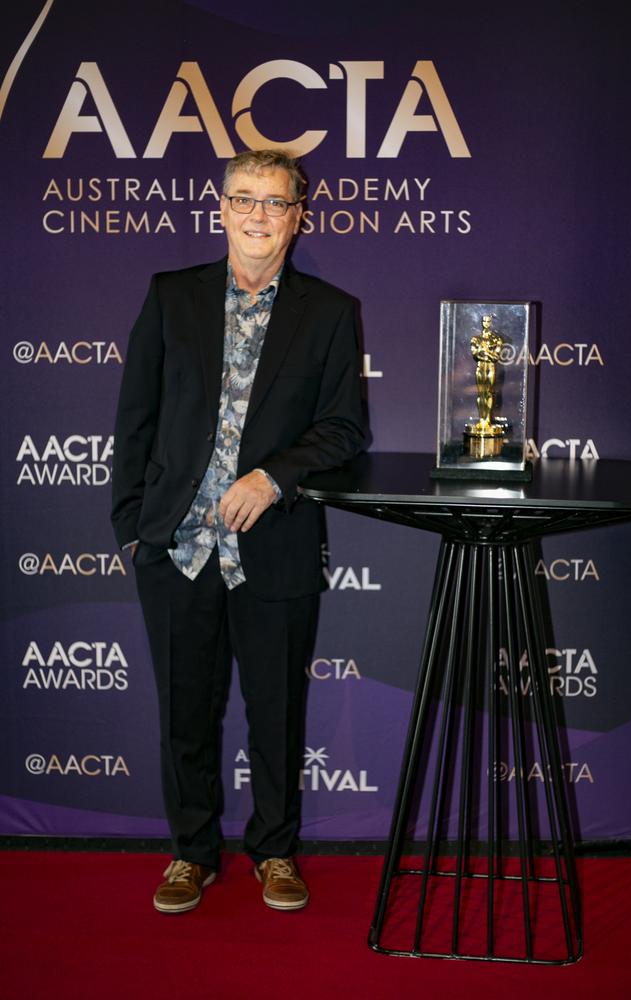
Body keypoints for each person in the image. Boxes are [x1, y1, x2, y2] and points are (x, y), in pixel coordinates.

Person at [111, 149, 365, 915]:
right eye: (244, 199)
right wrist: (130, 529)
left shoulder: (329, 312)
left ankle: (276, 851)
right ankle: (191, 853)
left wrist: (273, 475)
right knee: (184, 713)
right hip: (176, 548)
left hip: (275, 546)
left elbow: (345, 427)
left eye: (275, 202)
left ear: (298, 216)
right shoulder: (170, 297)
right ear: (221, 208)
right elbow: (134, 421)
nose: (258, 215)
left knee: (276, 710)